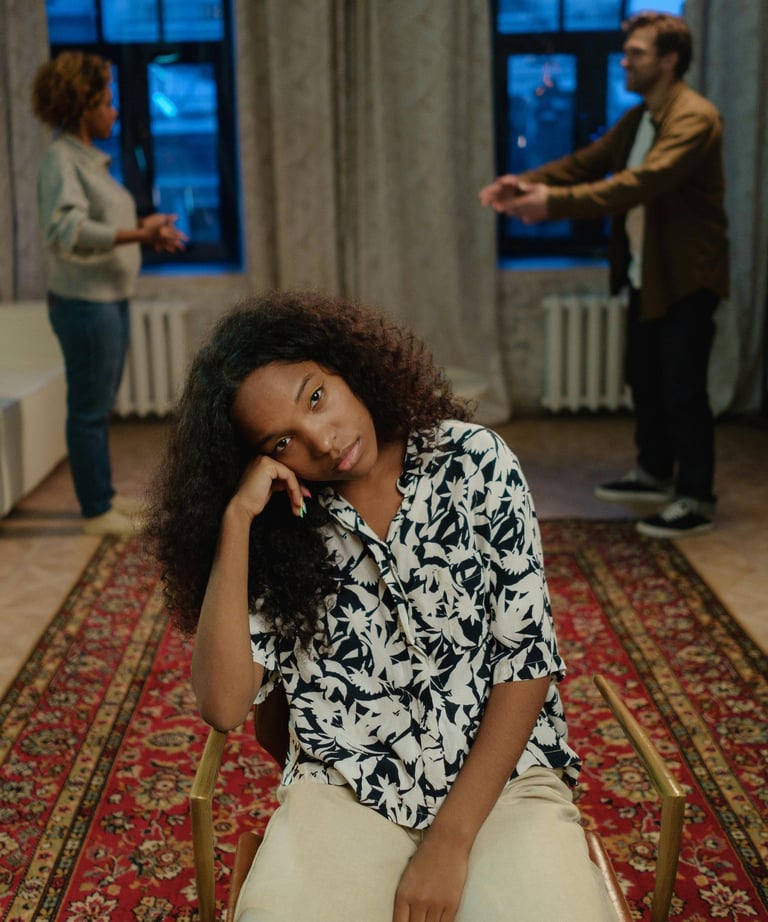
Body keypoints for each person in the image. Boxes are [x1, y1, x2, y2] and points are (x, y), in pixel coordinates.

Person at [148, 290, 619, 922]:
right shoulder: (277, 526)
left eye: (317, 397)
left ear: (347, 367)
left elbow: (525, 664)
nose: (321, 440)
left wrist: (449, 844)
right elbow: (224, 706)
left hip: (504, 781)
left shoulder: (473, 461)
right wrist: (236, 522)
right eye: (283, 441)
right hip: (346, 793)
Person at [480, 12, 729, 539]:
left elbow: (640, 183)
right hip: (647, 274)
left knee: (683, 389)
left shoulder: (694, 118)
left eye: (636, 53)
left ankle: (696, 497)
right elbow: (586, 163)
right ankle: (655, 474)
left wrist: (553, 204)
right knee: (645, 378)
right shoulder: (641, 118)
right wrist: (522, 182)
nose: (624, 61)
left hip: (687, 278)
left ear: (669, 60)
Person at [31, 51, 187, 536]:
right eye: (106, 102)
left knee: (99, 408)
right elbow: (68, 230)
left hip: (107, 299)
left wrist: (145, 229)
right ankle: (96, 512)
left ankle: (104, 496)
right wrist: (141, 234)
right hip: (85, 303)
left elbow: (100, 224)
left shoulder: (87, 160)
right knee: (89, 411)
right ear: (82, 108)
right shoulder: (61, 160)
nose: (114, 111)